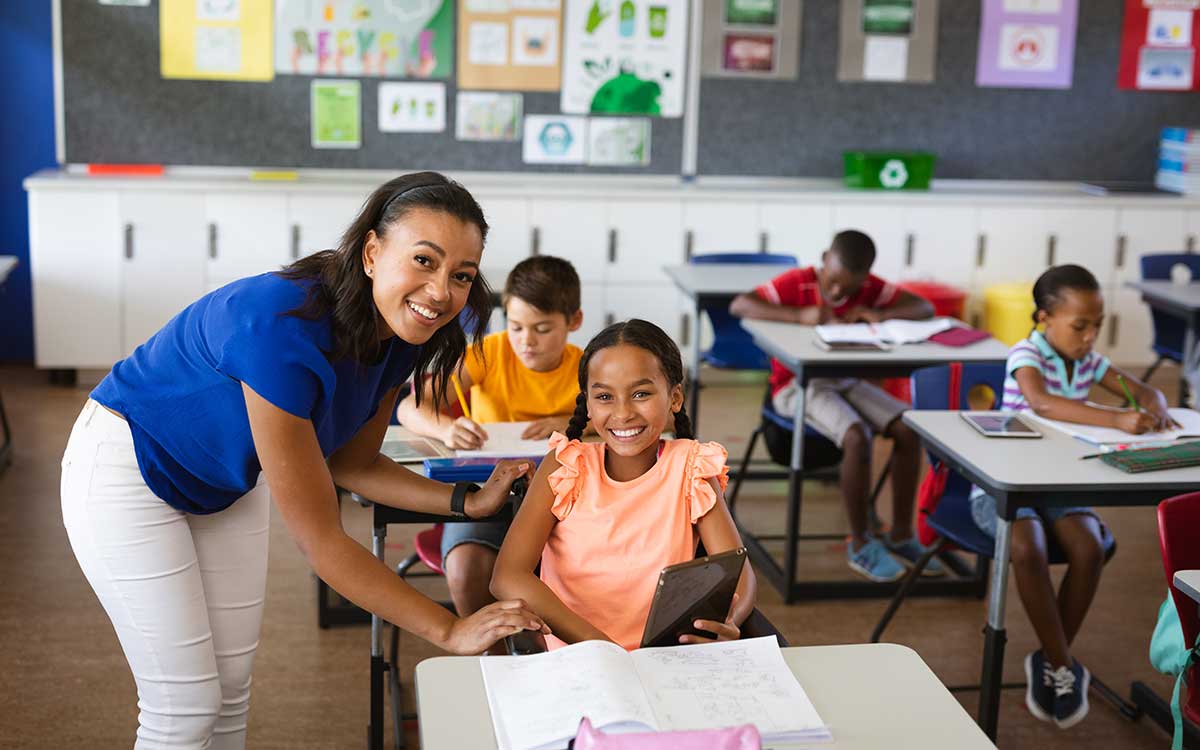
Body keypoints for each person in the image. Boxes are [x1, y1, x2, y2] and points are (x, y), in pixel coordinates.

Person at [60, 172, 548, 750]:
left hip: (221, 484)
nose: (441, 291)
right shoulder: (278, 326)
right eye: (423, 260)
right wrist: (448, 628)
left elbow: (354, 464)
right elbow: (322, 540)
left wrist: (468, 501)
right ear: (372, 252)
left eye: (461, 275)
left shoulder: (399, 335)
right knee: (185, 707)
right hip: (127, 469)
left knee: (232, 692)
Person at [969, 264, 1175, 729]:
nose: (1090, 337)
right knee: (1028, 545)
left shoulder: (1089, 361)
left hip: (1058, 486)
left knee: (1089, 546)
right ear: (1044, 318)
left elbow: (1138, 388)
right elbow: (1041, 402)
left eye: (1097, 326)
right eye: (1080, 326)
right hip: (1005, 482)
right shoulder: (1027, 353)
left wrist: (1154, 404)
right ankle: (1062, 662)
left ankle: (1050, 658)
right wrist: (1116, 419)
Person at [491, 319, 757, 651]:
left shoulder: (693, 467)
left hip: (666, 660)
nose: (623, 413)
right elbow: (507, 576)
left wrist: (731, 618)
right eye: (604, 396)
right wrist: (604, 649)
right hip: (580, 659)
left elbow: (737, 573)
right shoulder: (564, 467)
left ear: (675, 397)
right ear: (587, 404)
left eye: (641, 394)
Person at [729, 229, 942, 583]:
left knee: (908, 428)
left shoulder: (869, 289)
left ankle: (902, 535)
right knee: (856, 435)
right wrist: (799, 317)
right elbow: (741, 304)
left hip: (845, 381)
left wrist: (877, 314)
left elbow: (925, 307)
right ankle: (860, 543)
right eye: (834, 281)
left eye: (851, 285)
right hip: (796, 386)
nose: (840, 292)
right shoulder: (798, 283)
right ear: (825, 258)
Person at [395, 255, 584, 618]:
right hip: (486, 494)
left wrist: (572, 421)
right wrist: (447, 427)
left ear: (573, 321)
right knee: (466, 567)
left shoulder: (588, 366)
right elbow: (409, 409)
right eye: (516, 327)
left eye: (542, 329)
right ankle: (490, 653)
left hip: (562, 506)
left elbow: (625, 417)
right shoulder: (490, 353)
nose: (526, 341)